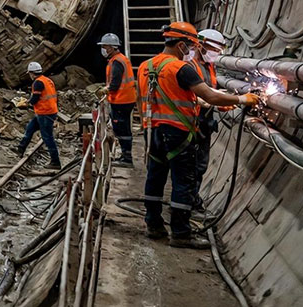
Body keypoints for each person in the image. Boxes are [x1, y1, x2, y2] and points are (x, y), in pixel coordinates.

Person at [137, 22, 259, 248]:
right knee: (183, 181)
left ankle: (153, 225)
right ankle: (181, 234)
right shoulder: (181, 68)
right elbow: (211, 96)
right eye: (192, 46)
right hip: (178, 133)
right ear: (181, 45)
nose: (192, 51)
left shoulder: (146, 66)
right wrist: (243, 99)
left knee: (155, 178)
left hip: (152, 131)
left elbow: (141, 100)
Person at [191, 29, 234, 213]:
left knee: (200, 165)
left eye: (218, 50)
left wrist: (223, 101)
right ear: (200, 45)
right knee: (190, 166)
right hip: (192, 122)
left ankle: (192, 200)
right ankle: (187, 204)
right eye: (213, 49)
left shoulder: (209, 66)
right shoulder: (189, 65)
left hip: (205, 123)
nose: (215, 54)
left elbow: (211, 90)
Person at [98, 33, 137, 167]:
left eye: (104, 46)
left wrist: (104, 90)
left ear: (111, 47)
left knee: (121, 129)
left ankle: (127, 158)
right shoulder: (121, 59)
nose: (103, 49)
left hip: (121, 101)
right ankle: (125, 156)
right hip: (126, 99)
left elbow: (115, 84)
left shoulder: (116, 62)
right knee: (124, 128)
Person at [15, 62, 62, 169]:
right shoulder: (47, 80)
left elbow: (35, 98)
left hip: (45, 113)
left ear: (32, 73)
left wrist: (26, 104)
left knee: (47, 137)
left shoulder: (38, 83)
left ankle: (55, 162)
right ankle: (20, 149)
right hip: (46, 111)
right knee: (30, 128)